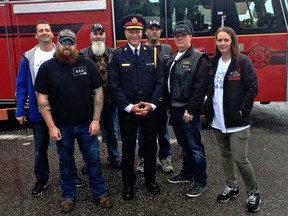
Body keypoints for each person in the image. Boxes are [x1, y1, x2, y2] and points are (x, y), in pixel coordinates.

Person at [34, 29, 112, 212]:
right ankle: (68, 196)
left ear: (76, 45)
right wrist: (51, 127)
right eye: (63, 42)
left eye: (70, 42)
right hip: (62, 127)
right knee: (66, 162)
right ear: (58, 44)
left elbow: (98, 93)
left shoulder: (88, 65)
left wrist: (95, 120)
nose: (67, 46)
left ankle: (100, 193)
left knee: (93, 161)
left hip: (87, 125)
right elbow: (42, 99)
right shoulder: (47, 68)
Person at [15, 20, 85, 198]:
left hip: (62, 112)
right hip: (39, 112)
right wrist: (20, 111)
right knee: (40, 149)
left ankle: (71, 175)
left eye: (47, 30)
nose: (45, 32)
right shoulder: (29, 57)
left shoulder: (62, 51)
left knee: (66, 147)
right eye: (41, 30)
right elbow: (22, 85)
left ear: (52, 34)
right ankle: (41, 179)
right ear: (36, 35)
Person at [204, 26, 260, 212]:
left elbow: (253, 87)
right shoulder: (214, 63)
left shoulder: (241, 62)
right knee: (225, 155)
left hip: (238, 122)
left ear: (232, 41)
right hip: (218, 121)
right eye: (219, 40)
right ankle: (232, 187)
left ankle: (253, 193)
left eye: (226, 40)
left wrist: (243, 109)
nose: (222, 43)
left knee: (239, 158)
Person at [108, 15, 164, 200]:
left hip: (149, 110)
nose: (134, 35)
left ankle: (150, 181)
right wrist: (129, 107)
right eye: (131, 31)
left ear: (143, 33)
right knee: (128, 148)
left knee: (149, 146)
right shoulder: (116, 55)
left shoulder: (153, 53)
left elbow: (159, 82)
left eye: (137, 31)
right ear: (125, 33)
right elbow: (114, 86)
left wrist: (152, 104)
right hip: (128, 112)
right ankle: (128, 184)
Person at [166, 24, 209, 198]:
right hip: (175, 110)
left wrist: (191, 110)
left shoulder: (199, 58)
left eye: (183, 35)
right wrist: (169, 107)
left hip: (187, 111)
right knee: (184, 145)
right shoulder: (174, 57)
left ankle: (201, 180)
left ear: (190, 37)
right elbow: (170, 85)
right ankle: (187, 173)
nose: (179, 38)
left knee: (195, 146)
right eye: (177, 36)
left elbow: (201, 88)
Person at [80, 23, 121, 171]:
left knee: (112, 131)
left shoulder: (113, 53)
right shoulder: (82, 54)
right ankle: (89, 161)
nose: (98, 36)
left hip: (110, 101)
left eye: (100, 33)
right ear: (90, 36)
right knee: (89, 132)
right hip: (89, 103)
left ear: (105, 35)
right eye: (95, 33)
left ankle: (114, 158)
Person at [137, 19, 173, 174]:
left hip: (163, 99)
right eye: (151, 29)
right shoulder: (141, 49)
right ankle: (143, 158)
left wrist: (170, 103)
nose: (154, 32)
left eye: (157, 29)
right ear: (146, 32)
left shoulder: (167, 49)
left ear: (161, 32)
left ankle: (165, 157)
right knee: (143, 132)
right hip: (145, 99)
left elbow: (171, 76)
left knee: (163, 131)